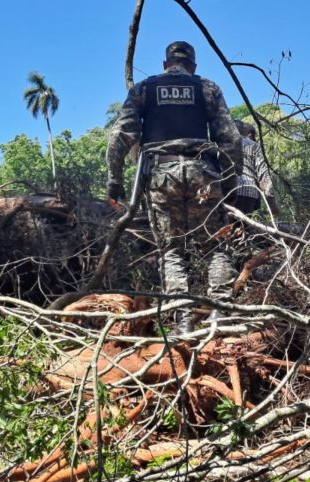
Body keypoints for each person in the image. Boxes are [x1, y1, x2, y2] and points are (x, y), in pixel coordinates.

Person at [106, 41, 243, 335]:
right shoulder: (207, 88)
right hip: (203, 173)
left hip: (160, 174)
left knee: (172, 251)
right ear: (192, 66)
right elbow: (230, 138)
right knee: (217, 245)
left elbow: (121, 134)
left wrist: (114, 180)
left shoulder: (145, 89)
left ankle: (182, 324)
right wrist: (232, 182)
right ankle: (220, 316)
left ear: (166, 64)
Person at [233, 119, 277, 215]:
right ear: (249, 134)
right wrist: (272, 204)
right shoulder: (255, 146)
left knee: (224, 228)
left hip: (225, 190)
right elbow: (264, 175)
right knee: (243, 227)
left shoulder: (221, 144)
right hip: (249, 193)